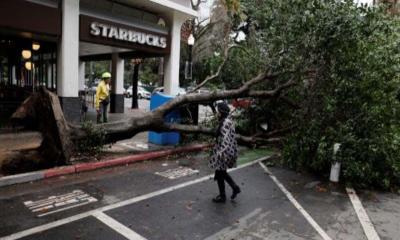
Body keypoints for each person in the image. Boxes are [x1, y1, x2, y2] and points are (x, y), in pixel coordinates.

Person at [209, 102, 241, 203]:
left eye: (218, 111)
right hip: (222, 151)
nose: (217, 113)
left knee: (220, 173)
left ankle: (224, 196)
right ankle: (233, 189)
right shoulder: (225, 120)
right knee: (221, 173)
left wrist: (220, 153)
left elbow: (226, 140)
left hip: (223, 152)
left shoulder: (226, 122)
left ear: (221, 111)